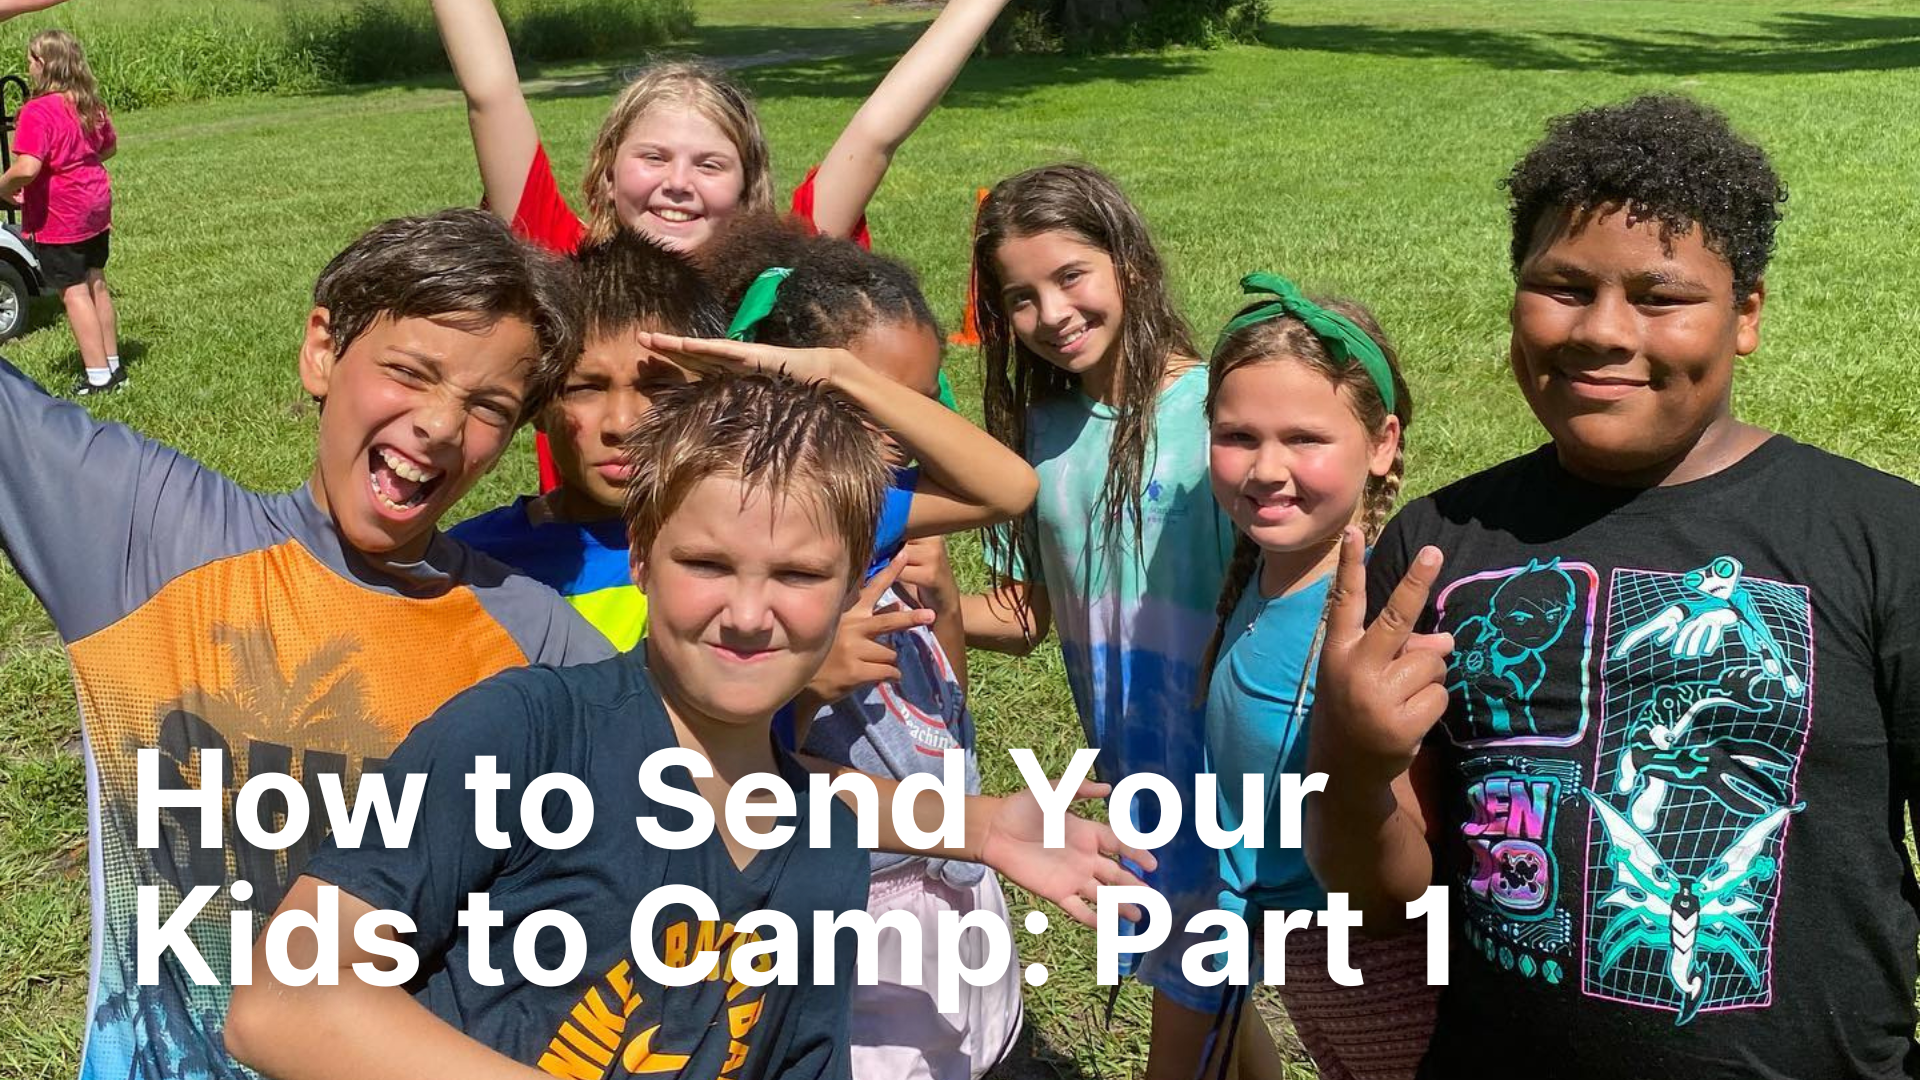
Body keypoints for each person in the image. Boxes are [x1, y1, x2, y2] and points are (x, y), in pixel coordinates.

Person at [226, 371, 1151, 1080]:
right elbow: (276, 1005)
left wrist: (979, 823)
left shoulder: (822, 853)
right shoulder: (521, 733)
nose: (749, 614)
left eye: (797, 576)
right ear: (640, 556)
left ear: (849, 590)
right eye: (708, 562)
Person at [1308, 94, 1920, 1078]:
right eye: (1560, 285)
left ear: (1747, 312)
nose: (1601, 330)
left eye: (1660, 296)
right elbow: (1384, 897)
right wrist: (1351, 759)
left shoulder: (1884, 538)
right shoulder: (1439, 547)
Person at [0, 209, 613, 1079]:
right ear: (322, 348)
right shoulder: (143, 536)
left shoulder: (531, 635)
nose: (441, 424)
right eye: (410, 371)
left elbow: (704, 795)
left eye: (488, 407)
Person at [694, 215, 1028, 1079]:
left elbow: (1006, 495)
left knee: (983, 1049)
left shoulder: (889, 511)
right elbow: (734, 763)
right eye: (865, 398)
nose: (898, 432)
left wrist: (944, 596)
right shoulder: (768, 529)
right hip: (852, 908)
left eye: (918, 403)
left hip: (955, 883)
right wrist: (810, 675)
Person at [430, 0, 1011, 487]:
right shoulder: (563, 264)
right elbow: (491, 92)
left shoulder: (781, 276)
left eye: (709, 164)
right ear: (608, 174)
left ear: (747, 187)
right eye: (653, 157)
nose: (677, 183)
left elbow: (878, 132)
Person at [959, 162, 1236, 1080]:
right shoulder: (1036, 433)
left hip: (1222, 767)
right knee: (1202, 988)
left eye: (1071, 275)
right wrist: (901, 613)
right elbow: (1024, 609)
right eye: (1021, 298)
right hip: (1129, 768)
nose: (1052, 313)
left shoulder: (1219, 412)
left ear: (1132, 264)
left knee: (1193, 990)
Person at [1197, 274, 1435, 1079]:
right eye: (1237, 436)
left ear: (1382, 443)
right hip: (1297, 955)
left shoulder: (1373, 621)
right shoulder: (1264, 578)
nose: (1266, 468)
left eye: (1305, 438)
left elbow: (1404, 858)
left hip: (1375, 970)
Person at [450, 230, 726, 650]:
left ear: (714, 398)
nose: (621, 423)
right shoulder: (472, 566)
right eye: (585, 388)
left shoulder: (759, 548)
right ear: (537, 405)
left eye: (660, 390)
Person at [0, 28, 119, 394]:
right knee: (95, 280)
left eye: (31, 59)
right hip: (95, 203)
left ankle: (98, 376)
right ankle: (113, 364)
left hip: (62, 212)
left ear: (45, 65)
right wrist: (76, 164)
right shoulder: (87, 101)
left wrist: (3, 188)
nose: (28, 65)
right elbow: (109, 147)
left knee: (73, 291)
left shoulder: (37, 110)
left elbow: (27, 169)